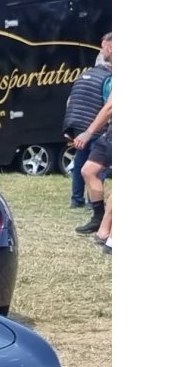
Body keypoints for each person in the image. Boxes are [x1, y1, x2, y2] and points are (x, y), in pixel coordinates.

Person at [62, 34, 111, 209]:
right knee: (97, 166)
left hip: (77, 125)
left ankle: (76, 199)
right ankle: (94, 203)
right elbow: (108, 105)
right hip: (95, 127)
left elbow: (70, 101)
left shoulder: (83, 75)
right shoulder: (108, 79)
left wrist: (70, 127)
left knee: (80, 163)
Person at [74, 34, 112, 239]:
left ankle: (107, 230)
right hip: (110, 131)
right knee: (88, 170)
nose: (101, 51)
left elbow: (110, 107)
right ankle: (98, 218)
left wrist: (88, 133)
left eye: (103, 47)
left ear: (111, 48)